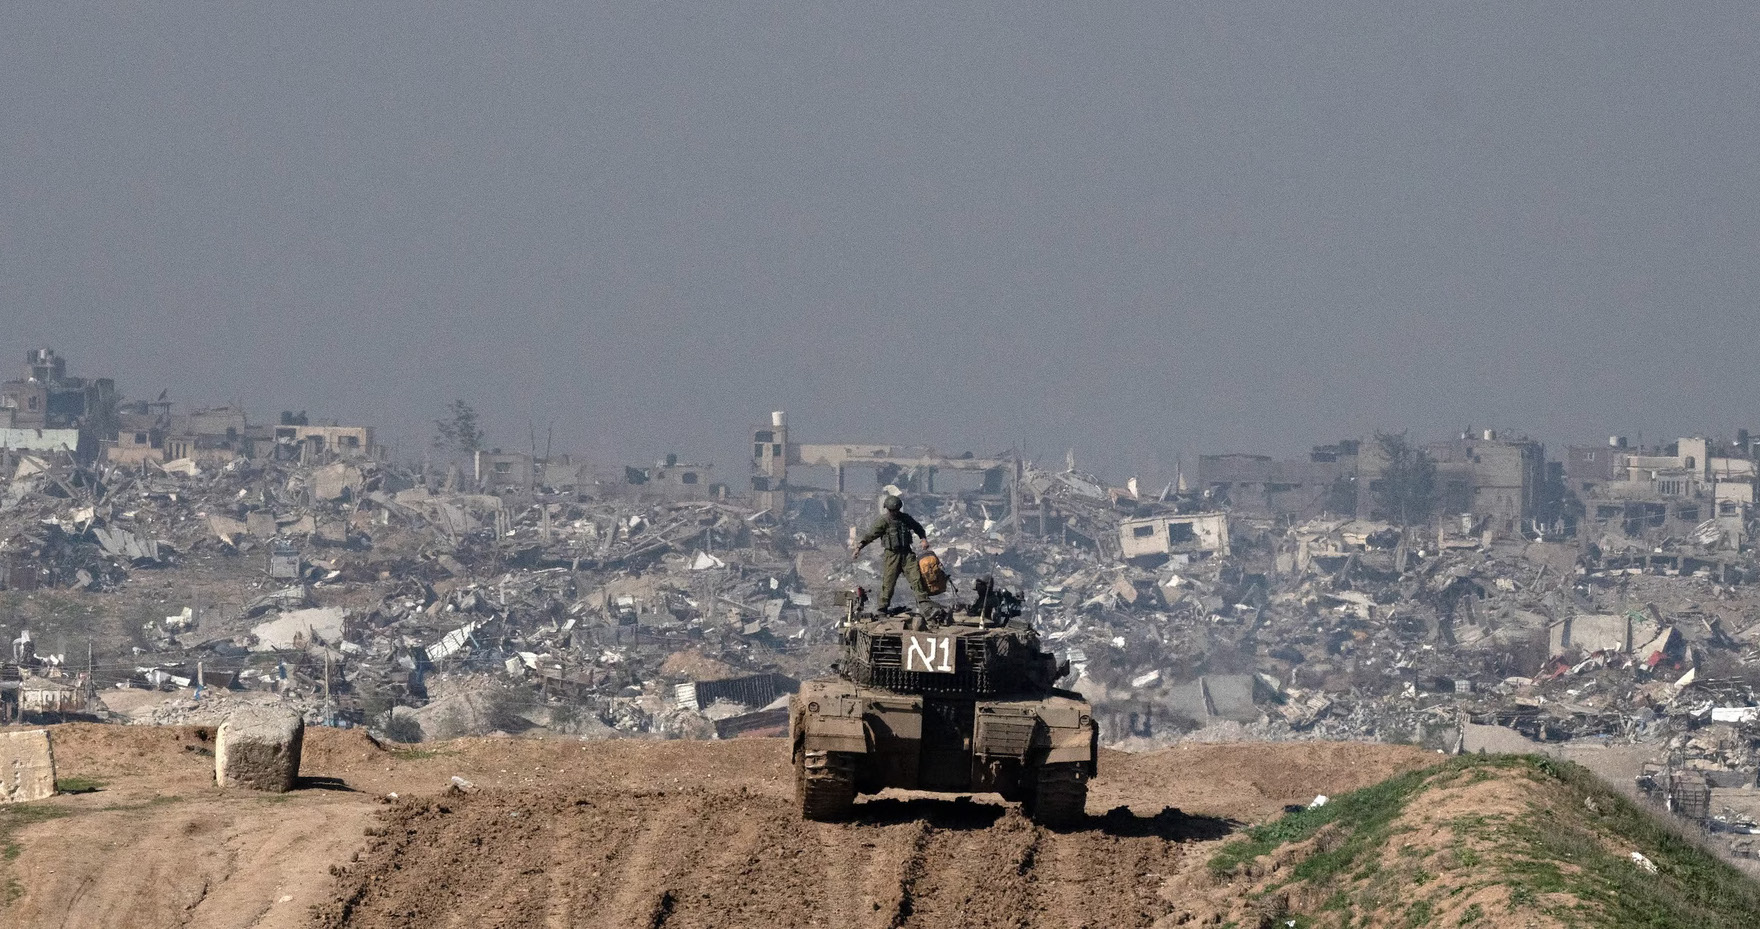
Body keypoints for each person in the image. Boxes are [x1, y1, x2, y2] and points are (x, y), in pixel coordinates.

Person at [851, 494, 933, 611]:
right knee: (888, 583)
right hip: (892, 555)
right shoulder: (883, 521)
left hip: (907, 554)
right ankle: (882, 608)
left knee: (916, 579)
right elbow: (870, 535)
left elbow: (918, 528)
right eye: (892, 510)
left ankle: (924, 604)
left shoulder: (905, 518)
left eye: (896, 510)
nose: (894, 513)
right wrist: (859, 548)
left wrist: (923, 539)